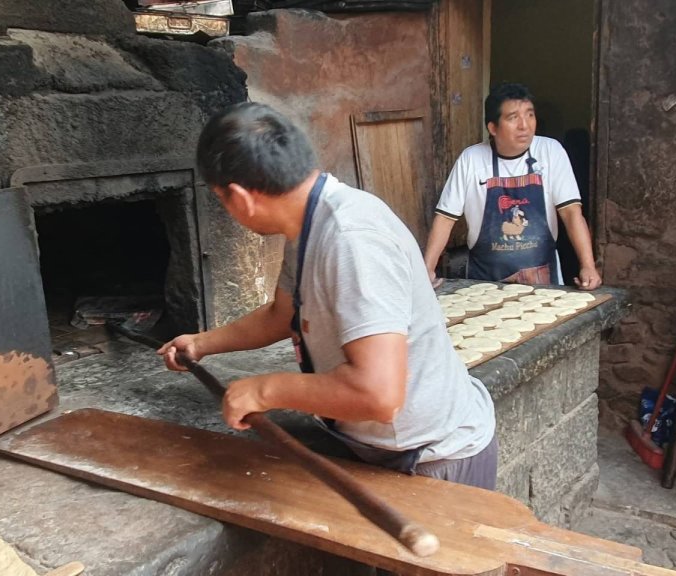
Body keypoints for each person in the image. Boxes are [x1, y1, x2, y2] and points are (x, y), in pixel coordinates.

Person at [158, 102, 497, 488]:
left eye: (222, 199)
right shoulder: (307, 221)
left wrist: (263, 390)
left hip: (435, 461)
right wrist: (201, 344)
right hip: (385, 449)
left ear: (240, 196)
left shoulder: (351, 240)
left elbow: (378, 394)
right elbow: (281, 314)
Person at [423, 83, 602, 290]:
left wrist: (588, 265)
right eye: (513, 118)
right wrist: (427, 267)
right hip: (484, 281)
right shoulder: (471, 159)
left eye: (530, 115)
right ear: (492, 127)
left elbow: (571, 213)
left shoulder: (551, 152)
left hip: (543, 280)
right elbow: (445, 218)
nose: (524, 126)